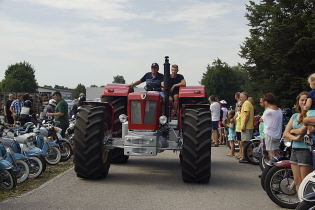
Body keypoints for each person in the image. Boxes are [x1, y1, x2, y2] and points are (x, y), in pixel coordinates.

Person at [283, 92, 312, 193]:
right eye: (301, 100)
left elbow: (301, 131)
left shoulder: (311, 115)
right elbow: (285, 133)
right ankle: (301, 203)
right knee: (297, 180)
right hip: (294, 149)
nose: (304, 102)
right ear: (298, 102)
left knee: (305, 182)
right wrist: (295, 138)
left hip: (306, 150)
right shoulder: (295, 115)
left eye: (306, 100)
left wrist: (292, 131)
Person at [261, 93, 283, 161]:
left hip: (269, 134)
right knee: (276, 152)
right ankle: (278, 169)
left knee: (271, 153)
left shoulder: (268, 111)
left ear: (266, 102)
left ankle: (273, 169)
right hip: (278, 134)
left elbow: (261, 119)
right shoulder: (279, 110)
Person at [239, 92, 254, 163]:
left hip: (247, 126)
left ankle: (246, 157)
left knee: (245, 142)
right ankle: (247, 156)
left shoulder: (246, 103)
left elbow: (247, 114)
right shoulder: (247, 103)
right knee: (245, 142)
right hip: (248, 126)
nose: (240, 98)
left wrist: (244, 125)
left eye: (241, 97)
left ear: (245, 97)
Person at [298, 73, 315, 138]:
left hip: (312, 113)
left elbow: (308, 105)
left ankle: (308, 135)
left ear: (313, 83)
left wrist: (305, 108)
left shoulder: (311, 93)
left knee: (306, 122)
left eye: (310, 83)